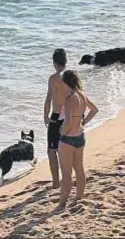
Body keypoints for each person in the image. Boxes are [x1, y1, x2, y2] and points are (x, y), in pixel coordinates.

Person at [56, 70, 98, 211]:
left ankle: (62, 204)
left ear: (65, 82)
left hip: (67, 140)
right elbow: (94, 110)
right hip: (80, 137)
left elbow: (67, 121)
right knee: (79, 169)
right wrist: (83, 122)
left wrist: (63, 131)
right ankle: (79, 197)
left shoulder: (69, 99)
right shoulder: (82, 95)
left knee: (66, 174)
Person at [43, 48, 69, 189]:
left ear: (54, 62)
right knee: (65, 149)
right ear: (66, 62)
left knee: (52, 150)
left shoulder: (53, 79)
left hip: (57, 116)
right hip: (70, 116)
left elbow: (49, 98)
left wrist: (45, 116)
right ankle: (67, 178)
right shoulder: (72, 76)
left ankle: (55, 182)